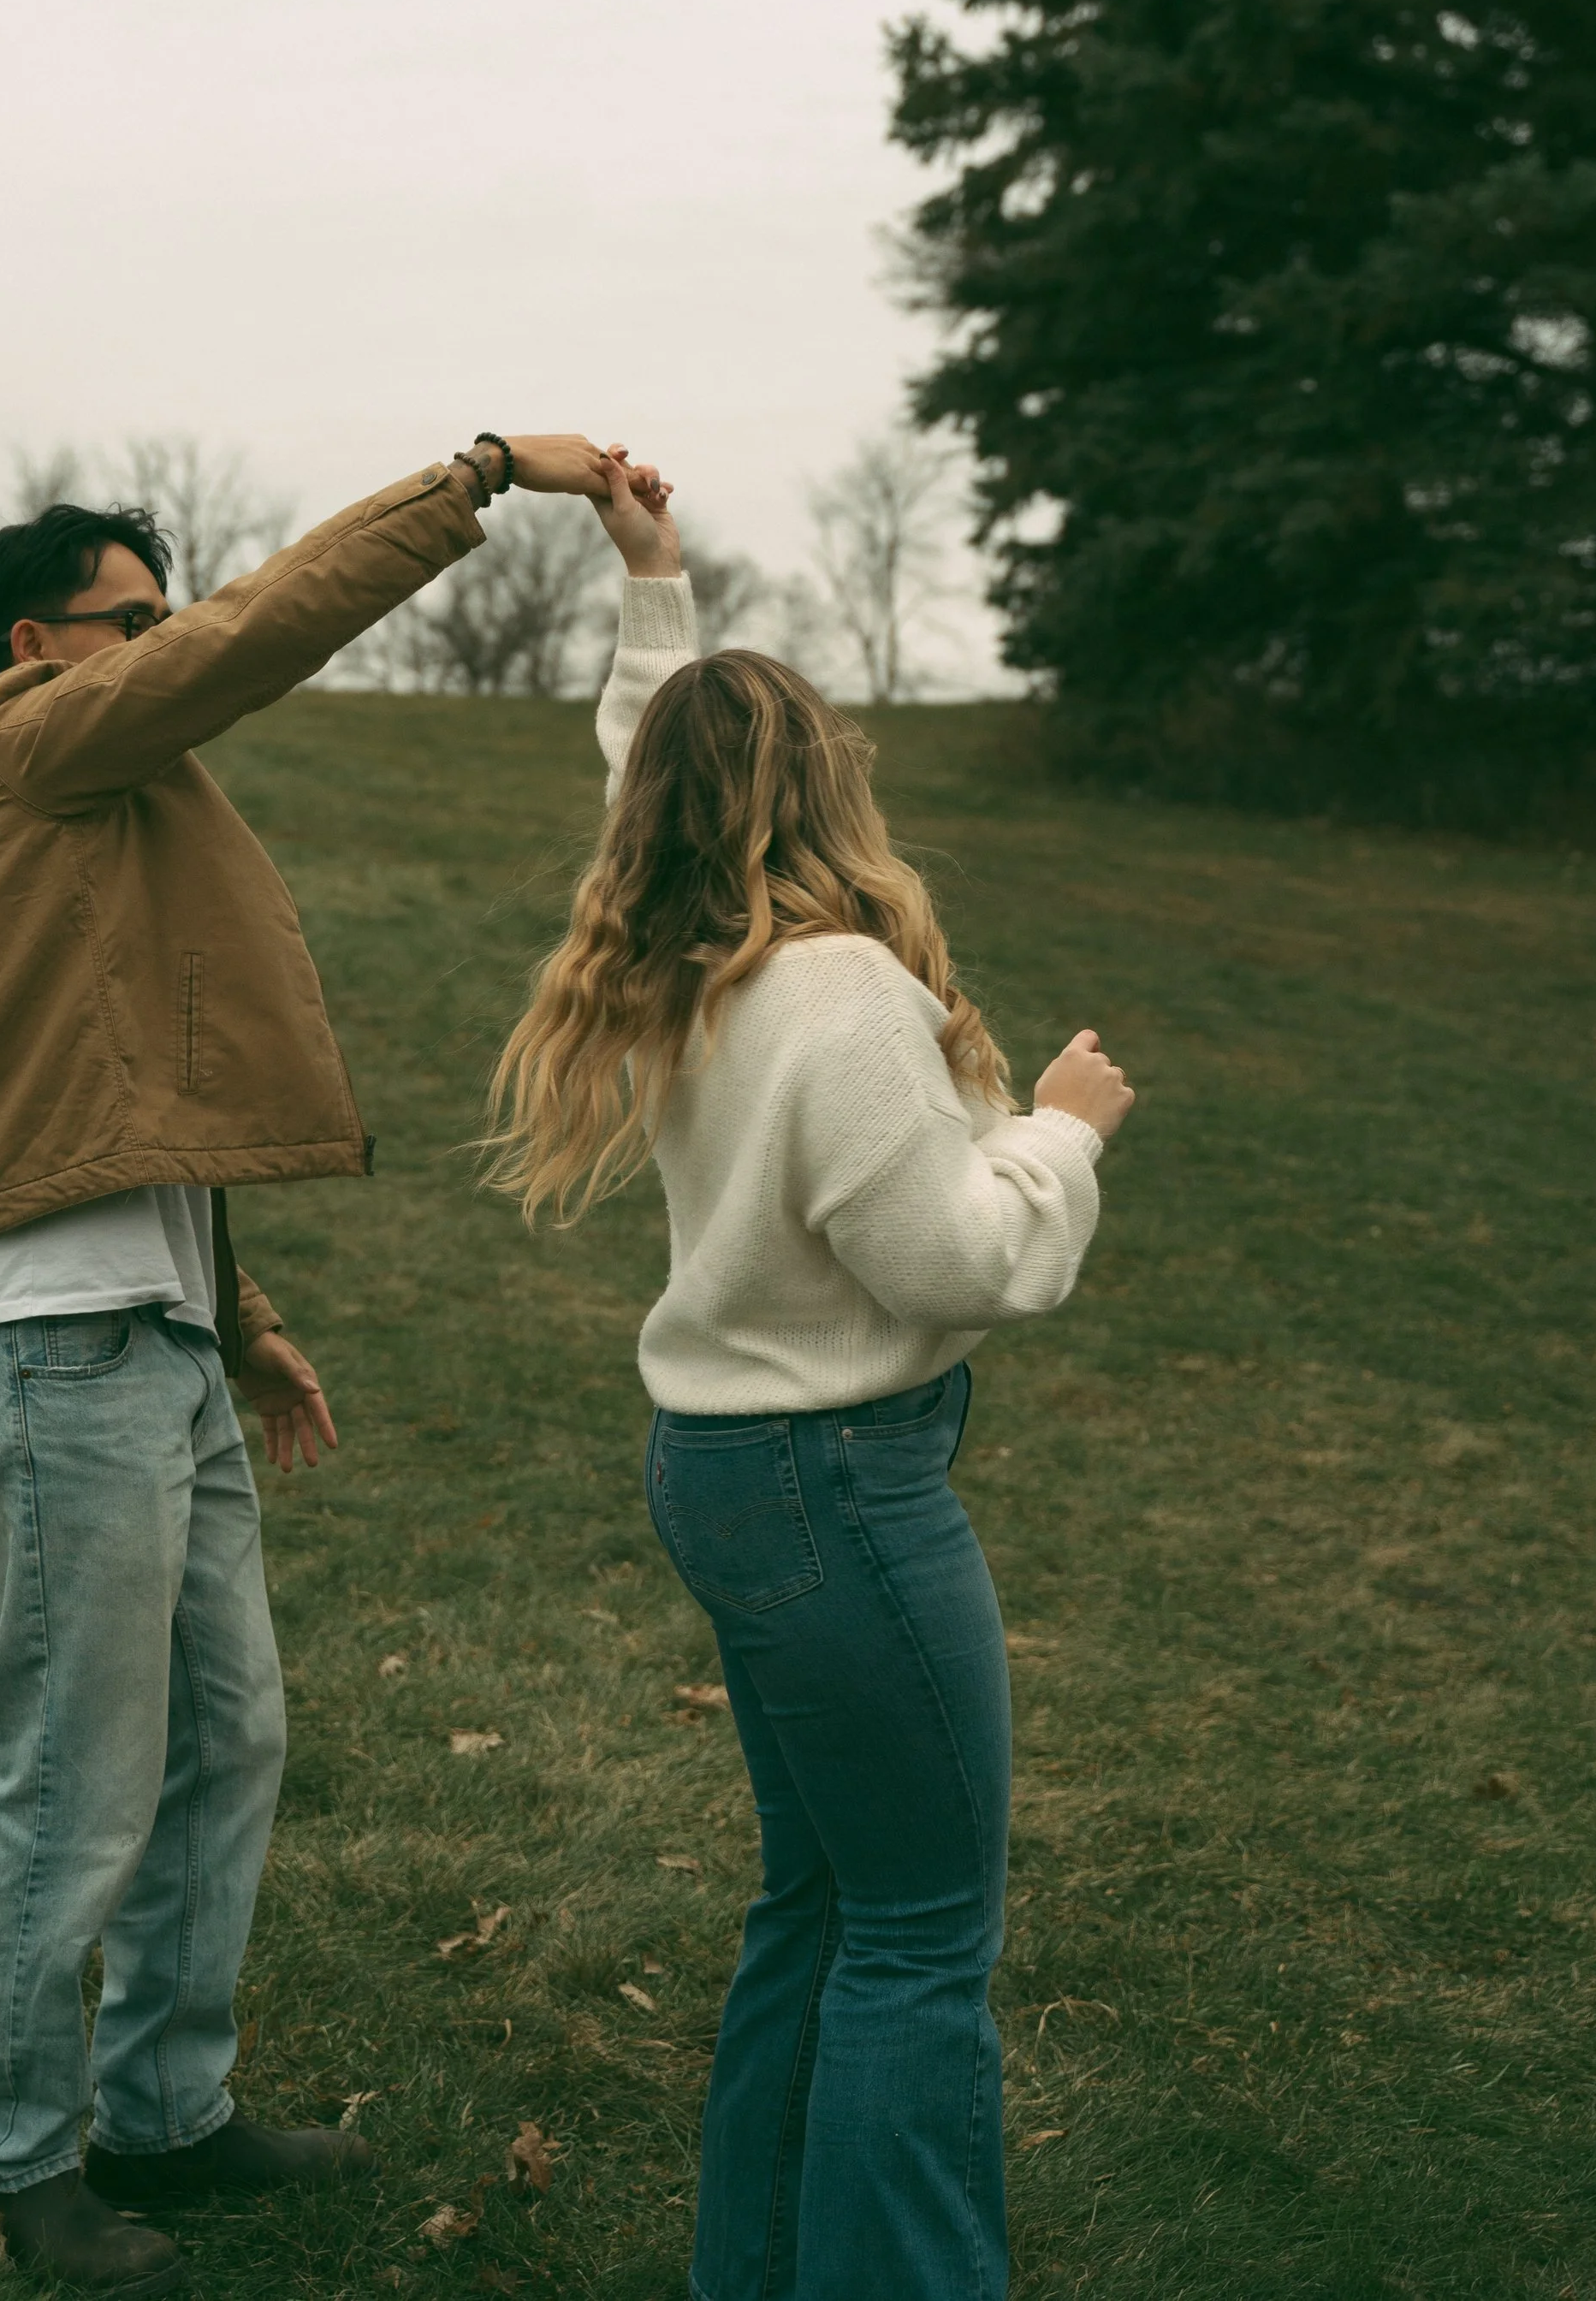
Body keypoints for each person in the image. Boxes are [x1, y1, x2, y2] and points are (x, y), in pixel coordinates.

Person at [0, 434, 636, 2297]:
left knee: (227, 1742)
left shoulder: (109, 814)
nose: (165, 647)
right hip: (45, 1355)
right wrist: (468, 477)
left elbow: (128, 1095)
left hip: (150, 1343)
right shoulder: (10, 743)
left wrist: (243, 1319)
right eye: (126, 623)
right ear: (28, 643)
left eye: (162, 613)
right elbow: (249, 642)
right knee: (73, 1778)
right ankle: (13, 2159)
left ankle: (166, 2113)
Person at [485, 458, 1134, 2301]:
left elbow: (640, 761)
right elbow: (954, 1257)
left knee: (824, 1905)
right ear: (822, 788)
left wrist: (653, 584)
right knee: (922, 1935)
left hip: (731, 1472)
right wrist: (1063, 1135)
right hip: (836, 1487)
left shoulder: (692, 955)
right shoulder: (835, 987)